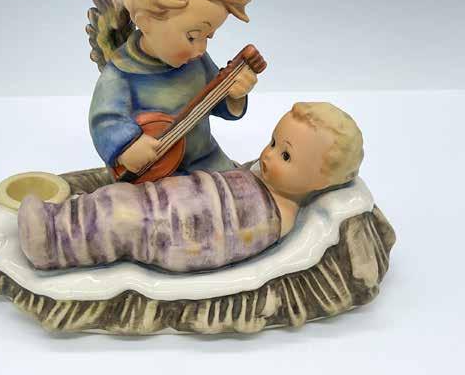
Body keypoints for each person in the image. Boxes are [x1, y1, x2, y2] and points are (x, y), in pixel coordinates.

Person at [18, 103, 364, 273]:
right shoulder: (262, 178)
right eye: (273, 142)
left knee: (122, 222)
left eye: (285, 155)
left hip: (172, 228)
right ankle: (58, 218)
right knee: (118, 199)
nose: (268, 155)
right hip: (171, 200)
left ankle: (51, 244)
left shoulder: (275, 218)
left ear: (319, 182)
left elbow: (219, 242)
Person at [89, 0, 257, 175]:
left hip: (206, 162)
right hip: (156, 174)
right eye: (192, 36)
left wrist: (234, 96)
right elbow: (104, 120)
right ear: (146, 22)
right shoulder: (122, 72)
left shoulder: (197, 61)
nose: (201, 49)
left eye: (207, 37)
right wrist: (127, 147)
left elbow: (215, 102)